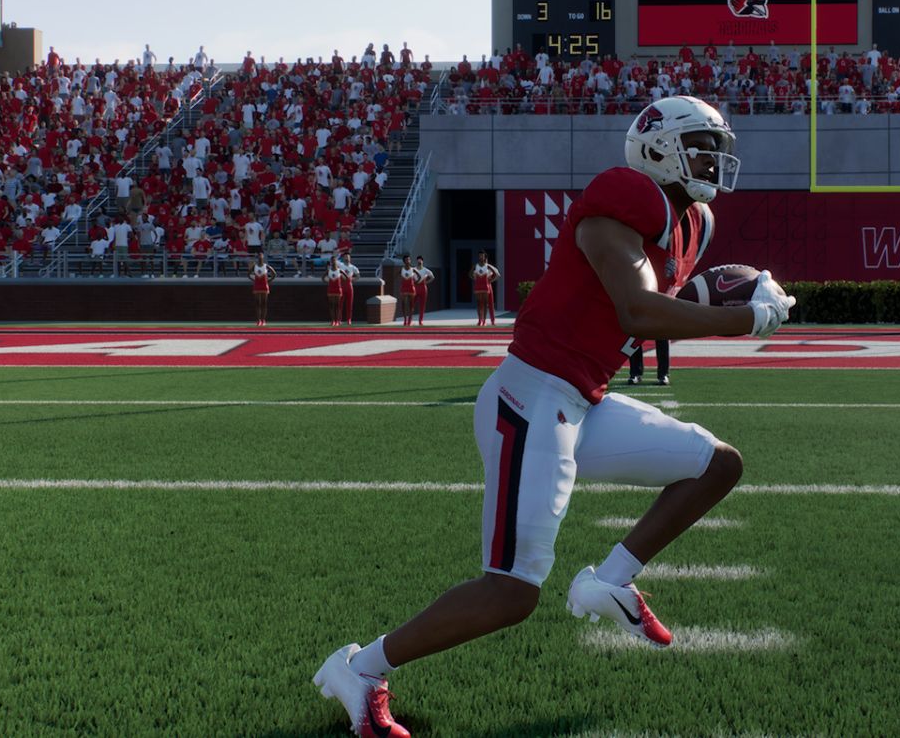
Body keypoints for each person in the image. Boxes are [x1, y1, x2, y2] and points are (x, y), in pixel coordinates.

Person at [313, 95, 795, 737]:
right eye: (702, 147)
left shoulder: (690, 221)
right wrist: (745, 318)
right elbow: (639, 312)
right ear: (657, 147)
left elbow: (664, 296)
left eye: (717, 149)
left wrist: (721, 292)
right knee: (511, 592)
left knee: (716, 465)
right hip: (531, 397)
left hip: (581, 400)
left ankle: (610, 582)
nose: (714, 161)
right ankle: (360, 666)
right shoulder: (623, 199)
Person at [471, 250, 501, 326]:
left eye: (484, 257)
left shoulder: (489, 267)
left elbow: (498, 275)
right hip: (482, 285)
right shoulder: (478, 266)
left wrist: (491, 280)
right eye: (480, 256)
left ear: (486, 258)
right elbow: (474, 275)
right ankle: (481, 320)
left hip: (488, 285)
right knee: (481, 303)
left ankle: (492, 320)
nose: (483, 259)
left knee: (490, 303)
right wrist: (475, 278)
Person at [250, 255, 275, 327]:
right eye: (259, 258)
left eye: (261, 258)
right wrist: (254, 280)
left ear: (263, 259)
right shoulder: (254, 266)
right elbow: (248, 274)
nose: (260, 259)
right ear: (258, 259)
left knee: (264, 303)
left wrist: (268, 280)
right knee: (258, 303)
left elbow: (274, 274)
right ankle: (258, 320)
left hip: (264, 286)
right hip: (257, 286)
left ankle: (263, 320)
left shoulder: (266, 266)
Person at [338, 251, 360, 326]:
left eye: (348, 257)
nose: (347, 258)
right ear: (343, 258)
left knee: (349, 304)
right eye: (345, 257)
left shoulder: (353, 267)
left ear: (350, 258)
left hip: (349, 286)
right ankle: (339, 319)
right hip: (341, 285)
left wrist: (352, 279)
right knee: (340, 303)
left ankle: (349, 319)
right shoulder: (340, 265)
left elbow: (358, 276)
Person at [412, 256, 434, 326]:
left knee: (422, 305)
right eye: (418, 261)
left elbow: (433, 277)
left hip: (423, 288)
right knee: (412, 304)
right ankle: (410, 320)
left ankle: (420, 321)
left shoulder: (426, 270)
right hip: (415, 287)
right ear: (417, 261)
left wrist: (426, 282)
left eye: (420, 261)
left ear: (422, 261)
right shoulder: (413, 269)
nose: (419, 262)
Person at [325, 254, 345, 327]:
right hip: (331, 289)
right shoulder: (329, 270)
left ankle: (337, 321)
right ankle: (333, 321)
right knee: (331, 306)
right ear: (330, 262)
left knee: (337, 305)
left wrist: (341, 281)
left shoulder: (340, 270)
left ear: (336, 261)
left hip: (338, 289)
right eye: (332, 260)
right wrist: (328, 282)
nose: (333, 262)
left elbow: (346, 278)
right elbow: (323, 277)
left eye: (334, 260)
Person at [399, 254, 419, 326]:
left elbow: (419, 276)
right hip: (404, 287)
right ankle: (405, 320)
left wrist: (416, 282)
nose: (408, 261)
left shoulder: (413, 269)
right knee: (403, 304)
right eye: (407, 260)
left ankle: (409, 320)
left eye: (409, 259)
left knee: (411, 304)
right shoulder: (401, 269)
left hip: (411, 287)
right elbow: (397, 276)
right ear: (404, 261)